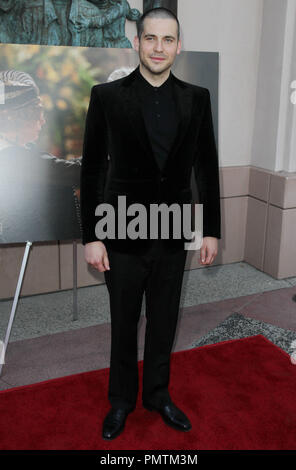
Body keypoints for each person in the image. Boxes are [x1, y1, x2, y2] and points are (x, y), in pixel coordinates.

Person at [80, 7, 221, 440]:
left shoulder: (197, 98)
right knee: (124, 321)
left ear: (178, 46)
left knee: (164, 319)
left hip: (174, 228)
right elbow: (92, 171)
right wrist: (92, 237)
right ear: (137, 42)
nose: (158, 47)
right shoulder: (106, 97)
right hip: (121, 228)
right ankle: (121, 401)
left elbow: (206, 168)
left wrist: (211, 229)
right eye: (150, 38)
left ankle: (157, 395)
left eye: (168, 40)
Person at [0, 69, 81, 244]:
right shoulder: (12, 159)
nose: (43, 121)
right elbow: (74, 173)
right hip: (37, 256)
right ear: (18, 118)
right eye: (38, 114)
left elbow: (64, 167)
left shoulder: (19, 151)